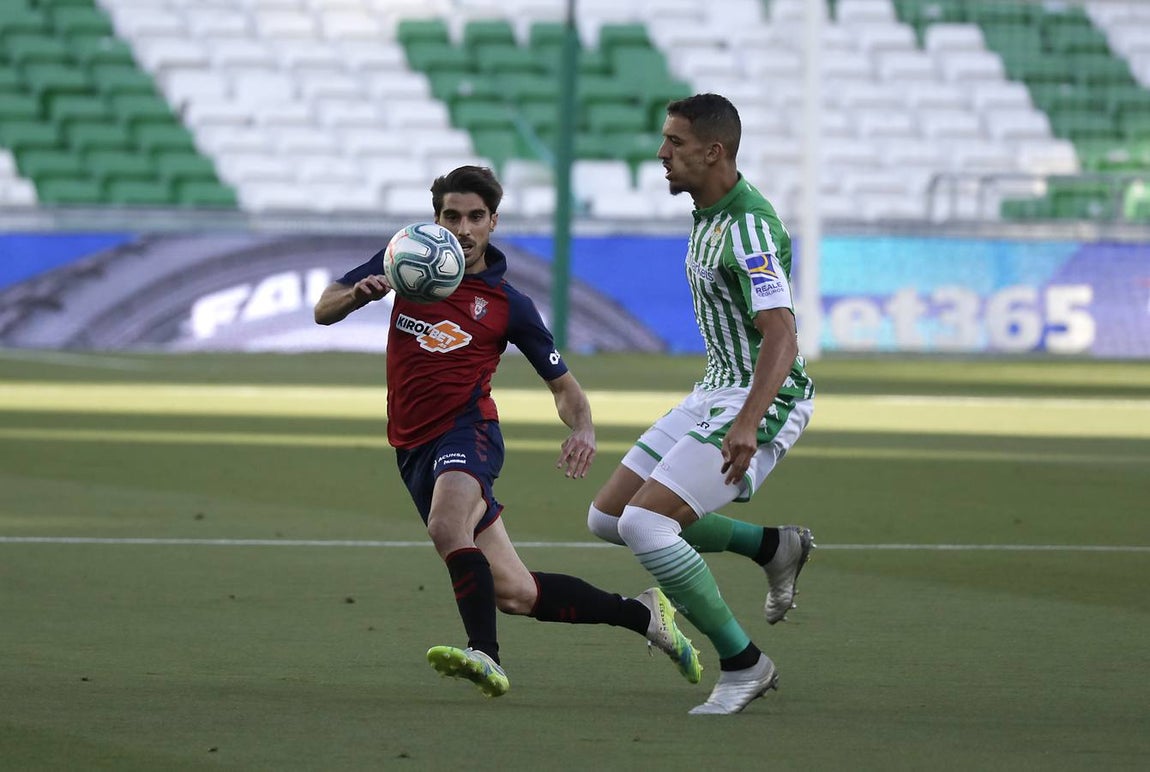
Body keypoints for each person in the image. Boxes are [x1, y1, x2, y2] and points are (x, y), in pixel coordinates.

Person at [313, 165, 700, 698]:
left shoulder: (508, 304)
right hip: (411, 445)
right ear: (437, 218)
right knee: (516, 593)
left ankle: (485, 655)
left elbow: (563, 384)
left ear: (494, 221)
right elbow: (323, 307)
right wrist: (359, 294)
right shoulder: (405, 260)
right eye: (452, 216)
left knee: (448, 527)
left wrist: (583, 427)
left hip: (467, 434)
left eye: (476, 217)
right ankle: (643, 615)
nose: (464, 229)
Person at [584, 94, 816, 715]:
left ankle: (745, 663)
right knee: (608, 518)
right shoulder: (708, 212)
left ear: (714, 152)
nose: (662, 154)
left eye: (675, 144)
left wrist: (747, 422)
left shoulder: (750, 228)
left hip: (761, 397)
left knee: (644, 523)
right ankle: (772, 547)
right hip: (716, 388)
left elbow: (783, 333)